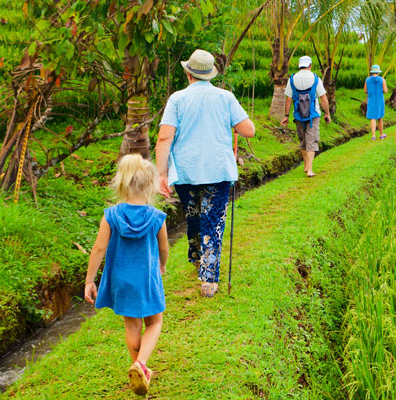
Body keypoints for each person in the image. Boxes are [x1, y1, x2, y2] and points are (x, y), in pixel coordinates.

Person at [155, 49, 256, 298]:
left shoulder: (177, 99)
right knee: (213, 221)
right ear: (210, 74)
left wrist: (161, 175)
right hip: (218, 170)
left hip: (187, 172)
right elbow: (249, 130)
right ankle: (209, 279)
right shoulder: (225, 97)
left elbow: (164, 138)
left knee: (194, 217)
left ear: (188, 73)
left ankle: (199, 260)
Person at [83, 154, 170, 396]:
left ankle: (138, 369)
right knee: (154, 321)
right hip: (146, 279)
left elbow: (98, 248)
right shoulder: (156, 217)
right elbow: (164, 248)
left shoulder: (111, 216)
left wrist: (90, 280)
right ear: (151, 185)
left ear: (121, 184)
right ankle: (141, 364)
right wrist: (161, 266)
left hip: (120, 281)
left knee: (131, 325)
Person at [282, 55, 332, 177]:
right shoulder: (315, 78)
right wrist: (327, 113)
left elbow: (288, 99)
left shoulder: (292, 79)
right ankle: (309, 169)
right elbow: (323, 98)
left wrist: (286, 115)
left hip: (298, 115)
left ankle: (305, 165)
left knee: (303, 140)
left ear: (299, 66)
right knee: (312, 140)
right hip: (313, 115)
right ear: (310, 65)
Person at [365, 64, 388, 140]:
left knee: (372, 118)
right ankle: (381, 135)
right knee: (380, 117)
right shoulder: (382, 80)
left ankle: (373, 136)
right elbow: (385, 90)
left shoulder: (367, 80)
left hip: (371, 100)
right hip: (379, 101)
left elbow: (365, 91)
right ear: (378, 72)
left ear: (372, 72)